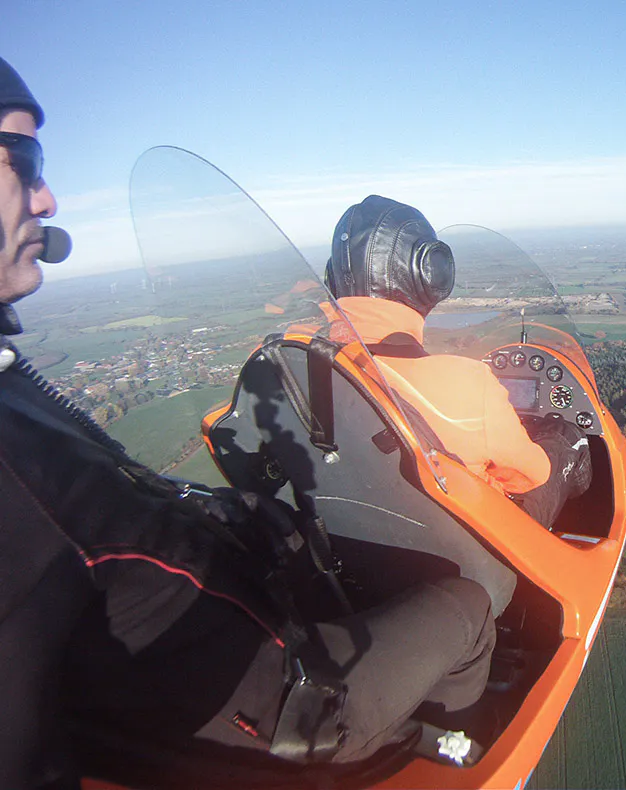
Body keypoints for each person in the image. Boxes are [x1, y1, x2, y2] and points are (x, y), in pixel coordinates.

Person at [0, 57, 495, 789]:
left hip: (235, 649)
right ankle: (459, 755)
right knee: (469, 607)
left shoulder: (283, 366)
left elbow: (224, 443)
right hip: (287, 708)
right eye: (23, 159)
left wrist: (232, 515)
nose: (46, 197)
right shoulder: (13, 463)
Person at [324, 195, 592, 528]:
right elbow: (529, 477)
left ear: (332, 278)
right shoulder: (466, 385)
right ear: (428, 274)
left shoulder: (300, 366)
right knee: (565, 437)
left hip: (354, 531)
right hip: (470, 536)